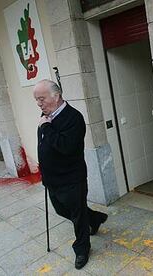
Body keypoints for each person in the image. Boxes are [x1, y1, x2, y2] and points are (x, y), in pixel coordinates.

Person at [34, 79, 108, 269]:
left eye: (41, 99)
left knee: (78, 216)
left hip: (71, 178)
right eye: (37, 100)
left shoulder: (73, 117)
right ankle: (95, 218)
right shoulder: (46, 116)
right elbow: (44, 144)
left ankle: (82, 249)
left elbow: (65, 147)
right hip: (52, 179)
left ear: (56, 96)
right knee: (61, 210)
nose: (39, 104)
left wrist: (46, 127)